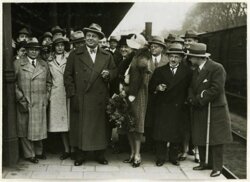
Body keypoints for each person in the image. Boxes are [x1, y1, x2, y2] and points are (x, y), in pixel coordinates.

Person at [64, 23, 116, 166]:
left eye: (94, 36)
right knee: (81, 127)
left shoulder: (107, 55)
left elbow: (114, 72)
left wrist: (109, 74)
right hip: (81, 97)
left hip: (100, 98)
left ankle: (100, 154)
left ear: (99, 39)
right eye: (88, 36)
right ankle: (80, 155)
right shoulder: (75, 54)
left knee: (100, 128)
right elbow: (67, 76)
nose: (90, 38)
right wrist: (73, 95)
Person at [187, 43, 232, 177]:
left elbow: (216, 89)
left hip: (214, 109)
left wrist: (200, 99)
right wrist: (192, 99)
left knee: (216, 138)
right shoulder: (196, 70)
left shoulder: (217, 68)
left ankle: (217, 167)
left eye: (191, 57)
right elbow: (191, 87)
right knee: (200, 134)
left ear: (198, 57)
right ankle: (204, 162)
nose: (189, 59)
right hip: (200, 108)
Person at [149, 44, 192, 167]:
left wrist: (186, 101)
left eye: (176, 57)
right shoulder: (159, 71)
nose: (173, 59)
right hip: (163, 106)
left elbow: (190, 88)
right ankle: (160, 158)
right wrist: (157, 87)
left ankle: (174, 157)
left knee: (176, 134)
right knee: (161, 134)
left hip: (179, 107)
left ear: (181, 58)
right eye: (171, 56)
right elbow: (151, 87)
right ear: (168, 57)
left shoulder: (187, 72)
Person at [14, 37, 52, 164]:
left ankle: (39, 152)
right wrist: (20, 97)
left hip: (40, 102)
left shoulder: (43, 64)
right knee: (25, 129)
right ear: (26, 50)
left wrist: (46, 98)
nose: (34, 52)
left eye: (36, 50)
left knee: (38, 128)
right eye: (31, 49)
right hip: (25, 101)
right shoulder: (18, 64)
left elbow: (49, 83)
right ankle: (29, 154)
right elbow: (12, 83)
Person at [123, 34, 152, 167]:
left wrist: (132, 93)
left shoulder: (142, 57)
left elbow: (141, 79)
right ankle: (132, 153)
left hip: (137, 94)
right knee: (130, 124)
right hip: (131, 92)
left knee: (137, 124)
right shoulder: (135, 55)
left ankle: (137, 155)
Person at [48, 34, 73, 160]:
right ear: (54, 47)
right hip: (56, 95)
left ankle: (73, 149)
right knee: (61, 124)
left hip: (68, 94)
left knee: (70, 123)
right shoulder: (49, 61)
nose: (59, 47)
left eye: (62, 45)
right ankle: (66, 150)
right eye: (57, 45)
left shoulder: (70, 58)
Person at [144, 35, 169, 152]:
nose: (153, 48)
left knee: (159, 121)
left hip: (163, 97)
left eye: (156, 46)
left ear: (162, 48)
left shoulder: (167, 60)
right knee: (148, 120)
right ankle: (148, 144)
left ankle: (157, 145)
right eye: (151, 46)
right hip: (147, 95)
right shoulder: (145, 59)